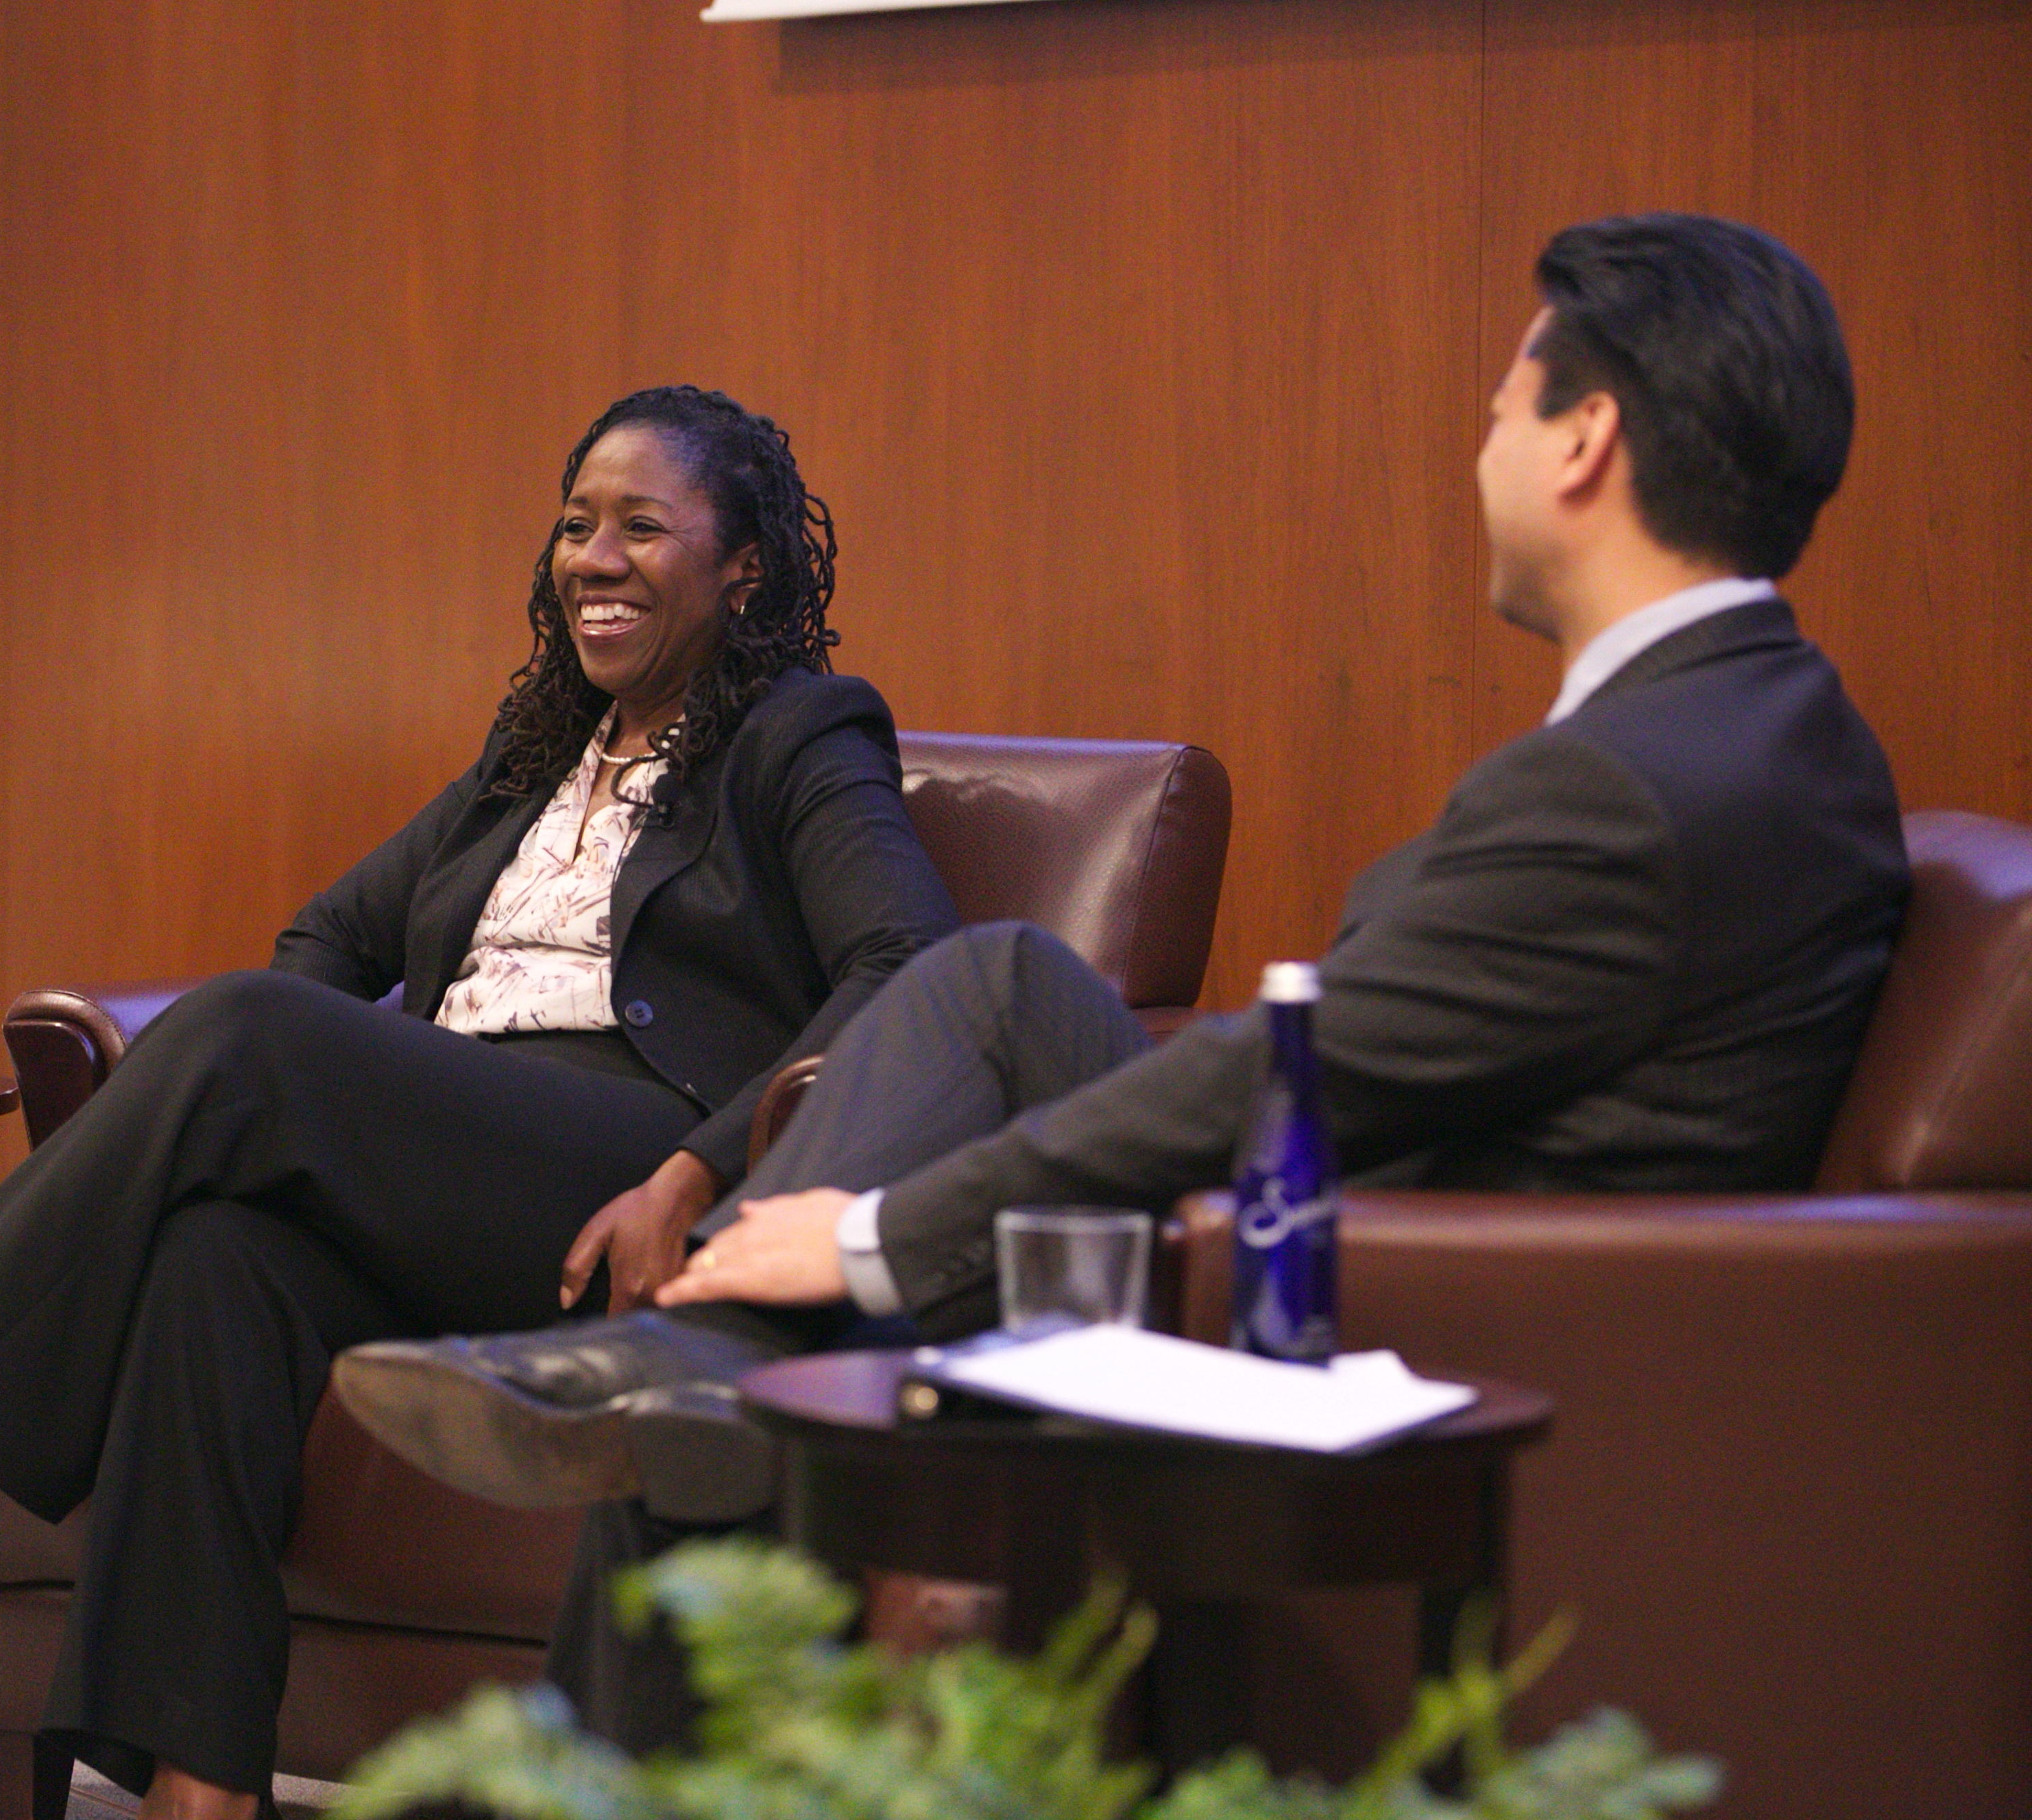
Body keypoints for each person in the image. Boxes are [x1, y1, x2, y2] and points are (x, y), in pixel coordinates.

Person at [335, 213, 1910, 1734]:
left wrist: (876, 1228)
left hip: (1388, 1297)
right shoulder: (1754, 727)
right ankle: (693, 1374)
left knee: (787, 1336)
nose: (1483, 445)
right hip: (1389, 1234)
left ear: (1585, 440)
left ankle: (687, 1382)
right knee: (990, 1000)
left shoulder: (1635, 787)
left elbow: (1304, 1076)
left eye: (1504, 404)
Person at [0, 385, 961, 1820]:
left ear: (742, 568)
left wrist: (697, 1170)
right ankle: (201, 1794)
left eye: (641, 526)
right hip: (463, 1154)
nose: (593, 554)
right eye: (575, 522)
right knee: (216, 1257)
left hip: (626, 1161)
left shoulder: (799, 735)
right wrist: (349, 1124)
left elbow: (910, 966)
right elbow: (324, 944)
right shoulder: (527, 762)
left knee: (243, 1032)